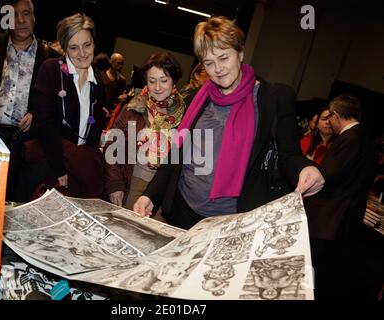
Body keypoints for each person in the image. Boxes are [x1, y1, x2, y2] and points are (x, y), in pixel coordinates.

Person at [134, 16, 324, 229]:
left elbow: (289, 154)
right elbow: (177, 155)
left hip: (232, 219)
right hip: (183, 208)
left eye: (224, 58)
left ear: (240, 52)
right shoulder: (194, 99)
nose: (218, 69)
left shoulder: (273, 99)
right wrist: (150, 195)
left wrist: (307, 168)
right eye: (209, 63)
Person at [0, 0, 60, 201]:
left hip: (28, 146)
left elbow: (58, 102)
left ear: (34, 18)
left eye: (26, 13)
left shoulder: (51, 60)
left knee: (16, 203)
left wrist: (37, 113)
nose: (20, 20)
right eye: (14, 15)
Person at [304, 94, 381, 300]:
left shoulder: (349, 139)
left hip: (330, 218)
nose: (329, 122)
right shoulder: (364, 137)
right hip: (343, 218)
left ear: (337, 115)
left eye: (330, 117)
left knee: (314, 271)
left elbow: (328, 176)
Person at [31, 13, 106, 198]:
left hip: (79, 170)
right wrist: (59, 168)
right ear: (65, 49)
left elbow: (93, 132)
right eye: (74, 48)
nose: (82, 54)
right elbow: (44, 123)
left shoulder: (98, 81)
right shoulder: (51, 70)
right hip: (51, 167)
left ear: (94, 42)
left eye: (87, 45)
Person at [105, 52, 186, 215]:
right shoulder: (133, 109)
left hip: (164, 193)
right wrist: (115, 184)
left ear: (174, 80)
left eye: (164, 80)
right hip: (131, 184)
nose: (157, 87)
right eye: (152, 81)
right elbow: (111, 148)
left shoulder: (186, 115)